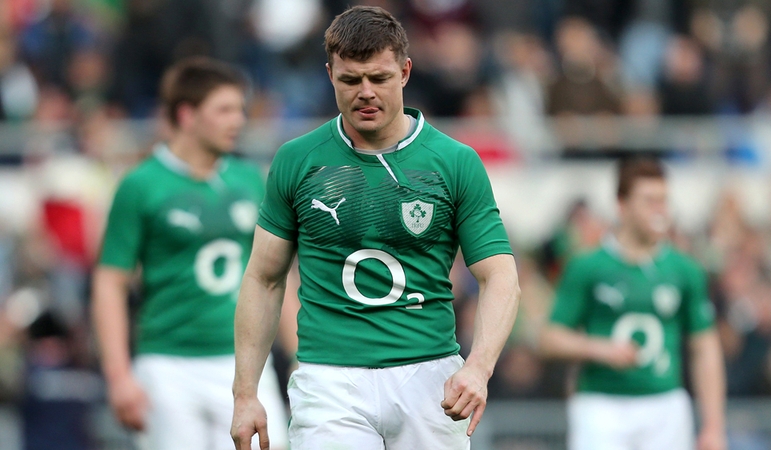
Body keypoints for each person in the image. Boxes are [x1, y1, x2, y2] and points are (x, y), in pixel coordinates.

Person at [230, 6, 520, 450]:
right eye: (350, 80)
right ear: (330, 75)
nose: (365, 92)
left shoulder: (455, 162)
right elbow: (264, 278)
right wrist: (245, 393)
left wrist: (479, 367)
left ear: (405, 71)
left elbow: (500, 275)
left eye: (379, 78)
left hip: (430, 376)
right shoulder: (297, 159)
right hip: (330, 378)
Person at [91, 57, 288, 450]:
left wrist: (300, 354)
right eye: (225, 110)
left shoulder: (250, 181)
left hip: (245, 363)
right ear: (187, 115)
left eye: (240, 110)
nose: (238, 121)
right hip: (169, 363)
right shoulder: (141, 185)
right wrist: (118, 377)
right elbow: (110, 281)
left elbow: (278, 275)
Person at [539, 158, 727, 450]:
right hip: (601, 404)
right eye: (649, 201)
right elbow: (550, 339)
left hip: (664, 404)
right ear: (622, 205)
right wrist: (600, 349)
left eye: (663, 200)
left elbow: (705, 346)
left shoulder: (685, 269)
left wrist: (714, 427)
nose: (659, 211)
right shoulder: (587, 266)